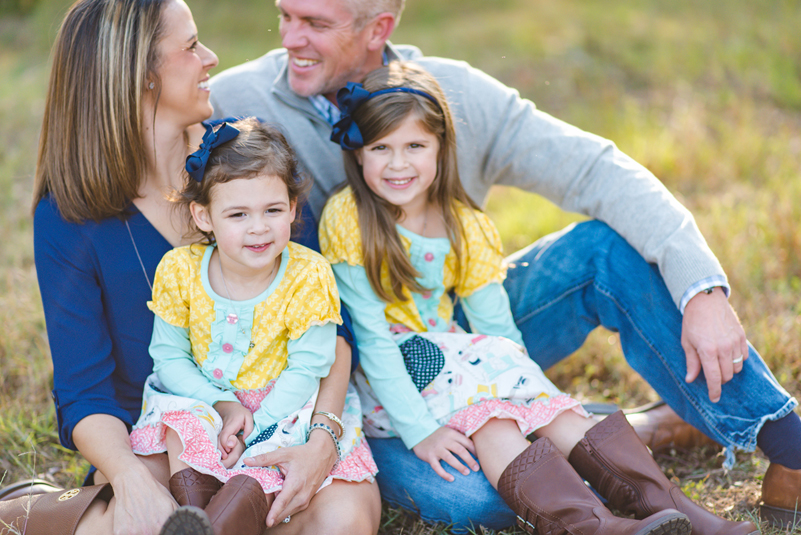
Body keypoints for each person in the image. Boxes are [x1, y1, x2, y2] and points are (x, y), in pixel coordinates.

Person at [203, 0, 801, 532]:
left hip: (462, 333)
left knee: (600, 251)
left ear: (377, 27)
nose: (288, 38)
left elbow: (595, 170)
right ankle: (632, 444)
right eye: (284, 15)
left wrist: (703, 288)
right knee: (477, 500)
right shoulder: (237, 100)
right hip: (352, 372)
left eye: (315, 23)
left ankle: (785, 446)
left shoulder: (454, 96)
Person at [319, 60, 761, 535]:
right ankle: (591, 525)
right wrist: (420, 432)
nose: (398, 163)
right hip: (389, 384)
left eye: (414, 146)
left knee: (546, 406)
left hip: (456, 364)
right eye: (380, 148)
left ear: (441, 147)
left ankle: (672, 508)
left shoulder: (464, 224)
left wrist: (530, 395)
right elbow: (373, 340)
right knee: (491, 417)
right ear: (357, 152)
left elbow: (496, 327)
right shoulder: (349, 218)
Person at [0, 0, 381, 534]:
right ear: (140, 75)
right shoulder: (69, 216)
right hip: (166, 436)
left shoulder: (249, 160)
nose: (210, 57)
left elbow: (333, 331)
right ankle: (41, 511)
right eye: (190, 46)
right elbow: (84, 391)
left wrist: (323, 440)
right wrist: (131, 482)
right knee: (140, 525)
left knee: (343, 522)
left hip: (291, 418)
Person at [129, 118, 377, 532]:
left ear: (293, 209)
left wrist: (256, 428)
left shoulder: (307, 273)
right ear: (203, 215)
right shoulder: (178, 269)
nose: (259, 227)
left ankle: (231, 512)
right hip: (206, 397)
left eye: (273, 210)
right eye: (238, 214)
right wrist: (222, 405)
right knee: (181, 423)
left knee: (275, 450)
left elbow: (309, 366)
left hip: (287, 403)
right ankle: (197, 507)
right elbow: (169, 358)